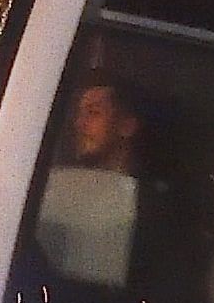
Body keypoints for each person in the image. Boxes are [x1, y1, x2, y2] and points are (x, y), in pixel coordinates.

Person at [35, 78, 141, 284]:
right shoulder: (54, 188)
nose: (79, 124)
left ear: (126, 126)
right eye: (79, 114)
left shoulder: (147, 205)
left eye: (93, 113)